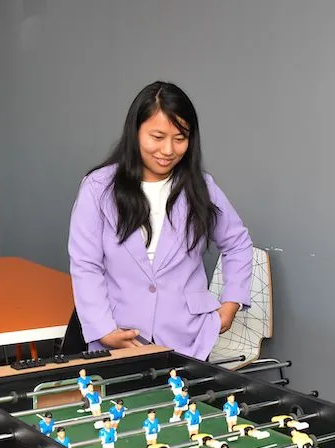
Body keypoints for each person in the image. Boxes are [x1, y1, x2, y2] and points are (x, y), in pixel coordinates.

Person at [68, 81, 253, 359]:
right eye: (157, 137)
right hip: (120, 336)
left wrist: (232, 302)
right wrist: (103, 330)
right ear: (135, 132)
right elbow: (86, 264)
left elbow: (238, 243)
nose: (168, 150)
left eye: (180, 138)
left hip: (189, 339)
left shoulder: (201, 186)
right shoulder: (98, 187)